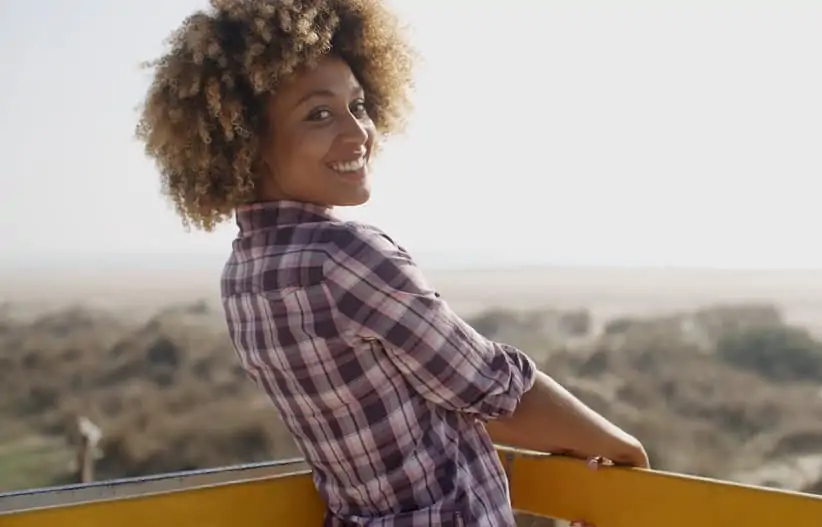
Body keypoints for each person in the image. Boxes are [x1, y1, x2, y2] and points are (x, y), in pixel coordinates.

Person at [136, 1, 648, 525]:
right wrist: (621, 446)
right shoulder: (345, 258)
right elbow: (489, 389)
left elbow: (418, 401)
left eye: (358, 106)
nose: (358, 134)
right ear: (248, 141)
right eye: (319, 114)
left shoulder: (242, 275)